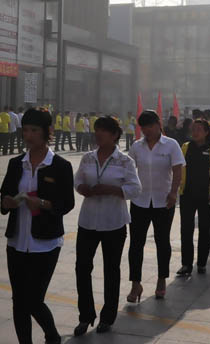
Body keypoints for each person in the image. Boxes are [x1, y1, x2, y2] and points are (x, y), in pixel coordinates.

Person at [0, 108, 74, 344]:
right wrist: (8, 202)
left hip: (45, 242)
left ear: (47, 131)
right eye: (25, 130)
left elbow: (67, 204)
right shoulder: (16, 164)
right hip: (17, 242)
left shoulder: (60, 166)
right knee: (18, 300)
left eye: (34, 130)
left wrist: (42, 203)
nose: (28, 136)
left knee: (33, 299)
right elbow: (4, 195)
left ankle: (52, 336)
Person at [72, 116, 141, 336]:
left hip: (114, 222)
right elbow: (77, 180)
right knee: (82, 268)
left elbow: (135, 188)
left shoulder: (125, 161)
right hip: (88, 221)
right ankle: (85, 316)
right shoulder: (88, 157)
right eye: (97, 130)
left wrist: (113, 190)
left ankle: (107, 317)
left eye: (103, 130)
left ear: (114, 135)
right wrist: (82, 188)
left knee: (111, 269)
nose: (98, 134)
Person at [127, 110, 184, 301]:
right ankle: (135, 284)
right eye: (144, 127)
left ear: (158, 125)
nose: (147, 130)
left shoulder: (171, 145)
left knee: (162, 241)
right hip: (139, 201)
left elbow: (178, 170)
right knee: (136, 243)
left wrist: (174, 192)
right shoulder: (137, 146)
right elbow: (129, 170)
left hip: (163, 201)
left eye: (150, 126)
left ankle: (161, 279)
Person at [177, 119, 210, 276]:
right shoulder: (185, 147)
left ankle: (201, 263)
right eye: (193, 129)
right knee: (186, 230)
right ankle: (186, 264)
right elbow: (179, 167)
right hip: (187, 194)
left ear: (206, 132)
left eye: (199, 129)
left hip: (206, 195)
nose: (195, 132)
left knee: (205, 229)